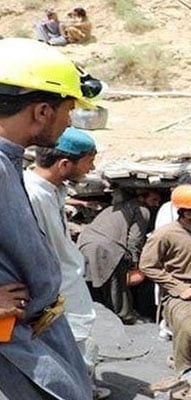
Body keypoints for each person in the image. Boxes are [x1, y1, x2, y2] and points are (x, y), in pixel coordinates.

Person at [0, 37, 94, 400]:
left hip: (31, 335)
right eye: (68, 110)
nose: (69, 121)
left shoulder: (10, 163)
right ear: (42, 111)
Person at [24, 127, 110, 399]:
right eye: (89, 161)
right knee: (67, 352)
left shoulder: (52, 190)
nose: (92, 167)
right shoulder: (33, 195)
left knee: (78, 346)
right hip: (55, 289)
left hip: (67, 284)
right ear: (64, 164)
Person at [139, 184, 191, 377]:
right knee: (189, 328)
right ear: (187, 214)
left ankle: (190, 359)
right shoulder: (165, 234)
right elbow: (147, 266)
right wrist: (177, 288)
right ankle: (185, 370)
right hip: (182, 288)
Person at [77, 189, 161, 324]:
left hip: (85, 242)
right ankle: (124, 317)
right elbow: (135, 239)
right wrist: (135, 261)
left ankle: (98, 314)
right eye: (154, 200)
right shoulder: (142, 210)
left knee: (92, 283)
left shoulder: (116, 208)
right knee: (117, 284)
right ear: (142, 197)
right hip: (107, 247)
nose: (156, 204)